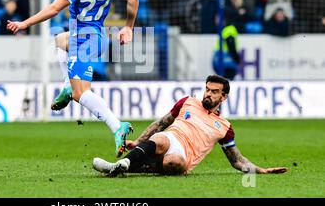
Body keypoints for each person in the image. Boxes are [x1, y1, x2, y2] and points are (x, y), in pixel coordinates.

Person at [7, 0, 139, 157]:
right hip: (97, 36)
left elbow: (53, 9)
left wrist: (25, 23)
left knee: (81, 94)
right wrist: (128, 28)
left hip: (83, 40)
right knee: (59, 41)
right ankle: (67, 85)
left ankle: (117, 127)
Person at [93, 75, 289, 176]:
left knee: (177, 163)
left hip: (183, 155)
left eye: (214, 91)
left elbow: (236, 161)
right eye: (206, 89)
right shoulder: (188, 101)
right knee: (160, 138)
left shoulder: (224, 127)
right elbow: (160, 124)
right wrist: (137, 142)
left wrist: (261, 170)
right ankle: (122, 164)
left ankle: (129, 167)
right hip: (171, 138)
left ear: (224, 97)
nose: (208, 94)